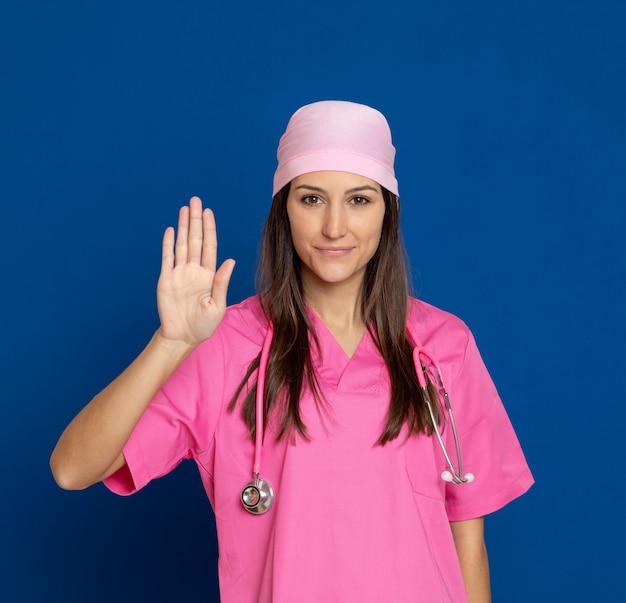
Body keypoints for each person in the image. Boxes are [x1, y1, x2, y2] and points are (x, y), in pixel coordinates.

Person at [50, 100, 534, 603]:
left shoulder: (442, 346)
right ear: (283, 208)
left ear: (389, 210)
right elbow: (72, 469)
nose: (334, 227)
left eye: (360, 200)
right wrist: (171, 342)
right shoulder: (223, 347)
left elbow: (468, 541)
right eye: (311, 199)